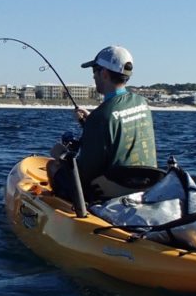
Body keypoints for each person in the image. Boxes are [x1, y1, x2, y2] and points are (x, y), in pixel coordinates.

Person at [49, 45, 158, 202]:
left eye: (94, 71)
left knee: (53, 166)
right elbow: (119, 126)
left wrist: (62, 156)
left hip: (110, 192)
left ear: (105, 73)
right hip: (145, 186)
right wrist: (89, 123)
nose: (93, 77)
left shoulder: (101, 117)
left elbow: (84, 173)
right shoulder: (142, 103)